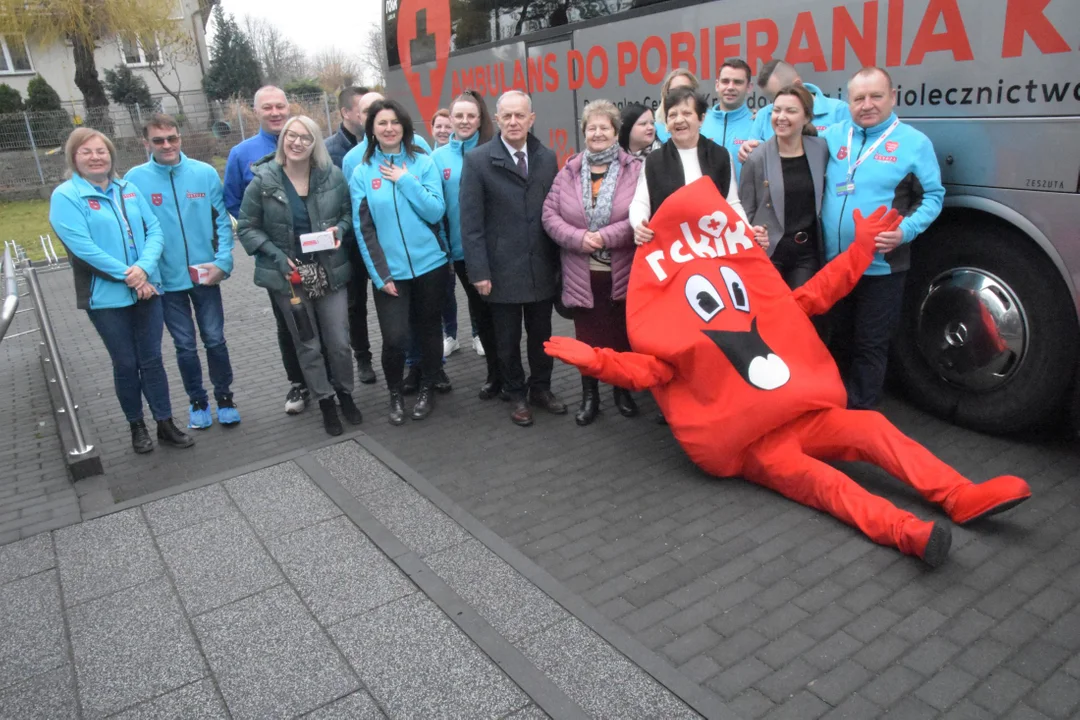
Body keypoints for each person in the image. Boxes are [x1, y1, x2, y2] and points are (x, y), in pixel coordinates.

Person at [49, 128, 194, 453]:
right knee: (126, 363)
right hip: (106, 299)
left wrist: (144, 269)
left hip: (147, 291)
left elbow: (154, 229)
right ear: (74, 157)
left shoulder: (126, 189)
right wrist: (133, 277)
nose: (96, 157)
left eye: (101, 151)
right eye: (87, 151)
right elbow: (83, 249)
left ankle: (165, 422)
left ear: (111, 155)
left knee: (153, 360)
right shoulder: (66, 196)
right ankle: (136, 425)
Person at [821, 66, 944, 410]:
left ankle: (859, 414)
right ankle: (831, 405)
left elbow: (933, 197)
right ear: (848, 102)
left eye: (876, 96)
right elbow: (788, 135)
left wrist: (905, 230)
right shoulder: (833, 134)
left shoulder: (914, 143)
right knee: (836, 338)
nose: (867, 104)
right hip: (836, 266)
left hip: (881, 268)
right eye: (859, 98)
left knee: (870, 343)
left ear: (893, 97)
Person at [237, 116, 361, 436]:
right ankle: (324, 400)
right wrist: (278, 258)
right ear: (282, 140)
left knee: (338, 341)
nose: (296, 143)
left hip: (328, 270)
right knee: (308, 343)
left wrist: (340, 230)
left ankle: (345, 393)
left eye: (305, 138)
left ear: (315, 143)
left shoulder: (331, 175)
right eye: (291, 136)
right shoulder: (264, 181)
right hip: (288, 277)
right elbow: (247, 227)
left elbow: (348, 213)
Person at [125, 113, 240, 430]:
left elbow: (222, 222)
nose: (167, 145)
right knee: (185, 346)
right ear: (145, 143)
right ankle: (198, 401)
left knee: (215, 340)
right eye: (159, 140)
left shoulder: (203, 174)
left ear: (180, 138)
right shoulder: (134, 179)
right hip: (166, 282)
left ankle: (225, 398)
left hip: (205, 276)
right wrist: (146, 273)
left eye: (172, 138)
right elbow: (133, 232)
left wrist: (222, 263)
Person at [461, 90, 566, 427]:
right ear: (498, 119)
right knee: (506, 340)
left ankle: (541, 388)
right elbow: (471, 223)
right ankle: (516, 393)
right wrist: (479, 271)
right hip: (500, 270)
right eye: (506, 116)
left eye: (520, 115)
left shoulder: (547, 157)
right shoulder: (477, 161)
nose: (513, 122)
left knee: (542, 336)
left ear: (531, 119)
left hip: (540, 267)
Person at [542, 100, 642, 426]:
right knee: (588, 341)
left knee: (621, 339)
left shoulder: (636, 170)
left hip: (621, 275)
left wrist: (604, 237)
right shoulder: (568, 171)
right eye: (592, 127)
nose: (598, 133)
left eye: (604, 127)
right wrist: (579, 239)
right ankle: (590, 396)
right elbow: (549, 216)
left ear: (616, 132)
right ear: (584, 132)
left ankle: (622, 391)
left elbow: (642, 217)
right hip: (581, 275)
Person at [350, 99, 448, 425]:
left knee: (429, 330)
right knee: (395, 338)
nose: (389, 128)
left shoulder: (422, 162)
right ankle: (395, 393)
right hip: (390, 273)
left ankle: (427, 387)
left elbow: (436, 211)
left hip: (430, 265)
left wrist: (405, 179)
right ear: (372, 131)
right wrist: (380, 275)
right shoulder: (362, 173)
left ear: (404, 126)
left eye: (394, 122)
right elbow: (363, 229)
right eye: (382, 123)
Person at [224, 86, 315, 415]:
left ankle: (327, 378)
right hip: (276, 258)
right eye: (268, 108)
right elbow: (235, 203)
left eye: (280, 106)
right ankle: (298, 383)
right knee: (288, 321)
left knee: (324, 318)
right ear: (255, 111)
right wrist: (265, 239)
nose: (275, 112)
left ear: (289, 107)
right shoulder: (242, 154)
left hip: (316, 254)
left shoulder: (308, 141)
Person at [431, 90, 500, 398]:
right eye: (458, 115)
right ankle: (494, 375)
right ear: (450, 118)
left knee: (499, 314)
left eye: (471, 115)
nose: (464, 121)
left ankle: (504, 370)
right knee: (481, 311)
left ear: (480, 118)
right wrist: (444, 248)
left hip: (494, 248)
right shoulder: (438, 158)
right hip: (459, 251)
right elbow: (436, 209)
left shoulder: (493, 150)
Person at [630, 86, 747, 245]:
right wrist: (639, 224)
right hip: (670, 247)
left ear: (701, 119)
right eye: (672, 115)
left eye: (686, 113)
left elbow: (732, 203)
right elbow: (640, 203)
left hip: (712, 246)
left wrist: (748, 231)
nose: (679, 120)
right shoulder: (654, 160)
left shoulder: (721, 156)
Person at [739, 86, 829, 290]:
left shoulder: (821, 149)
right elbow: (745, 211)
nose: (781, 117)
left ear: (807, 117)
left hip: (807, 254)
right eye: (776, 110)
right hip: (770, 252)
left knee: (802, 313)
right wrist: (753, 233)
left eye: (791, 111)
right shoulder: (756, 157)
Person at [325, 86, 378, 385]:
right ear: (348, 113)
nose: (368, 115)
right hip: (348, 242)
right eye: (363, 110)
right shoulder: (331, 152)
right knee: (355, 304)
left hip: (380, 239)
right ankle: (363, 358)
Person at [738, 60, 849, 163]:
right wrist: (747, 150)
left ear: (797, 84)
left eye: (783, 94)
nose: (781, 115)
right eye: (773, 100)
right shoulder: (764, 115)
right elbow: (753, 156)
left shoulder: (838, 111)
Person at [342, 92, 433, 184]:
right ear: (359, 118)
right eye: (367, 111)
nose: (376, 115)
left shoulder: (418, 143)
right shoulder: (351, 160)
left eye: (380, 109)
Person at [700, 59, 755, 181]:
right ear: (717, 85)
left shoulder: (757, 123)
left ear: (749, 87)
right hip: (705, 199)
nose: (730, 87)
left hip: (744, 199)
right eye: (725, 81)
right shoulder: (700, 122)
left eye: (738, 82)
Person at [654, 69, 699, 144]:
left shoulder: (707, 121)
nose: (680, 95)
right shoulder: (656, 128)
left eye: (685, 90)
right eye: (674, 91)